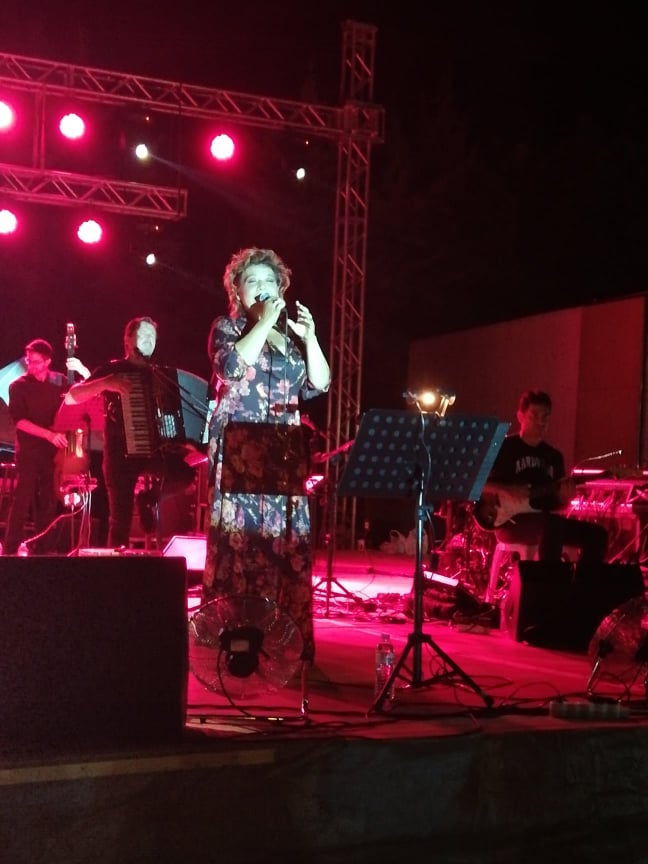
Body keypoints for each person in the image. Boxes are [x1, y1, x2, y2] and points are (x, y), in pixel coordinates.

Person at [202, 247, 331, 664]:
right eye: (252, 281)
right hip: (240, 449)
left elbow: (320, 383)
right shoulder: (228, 327)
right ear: (237, 291)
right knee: (240, 543)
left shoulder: (290, 339)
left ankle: (281, 638)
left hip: (283, 449)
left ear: (281, 289)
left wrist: (309, 338)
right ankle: (235, 635)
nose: (262, 287)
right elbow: (231, 369)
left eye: (269, 281)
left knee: (284, 542)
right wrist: (263, 323)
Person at [62, 316, 195, 549]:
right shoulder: (113, 370)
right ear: (128, 340)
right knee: (119, 525)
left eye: (152, 336)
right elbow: (72, 397)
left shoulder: (161, 375)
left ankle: (148, 499)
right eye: (143, 335)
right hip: (119, 456)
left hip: (153, 452)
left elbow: (173, 417)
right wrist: (105, 383)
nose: (149, 340)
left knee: (184, 474)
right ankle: (117, 569)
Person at [475, 388, 608, 563]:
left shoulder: (554, 456)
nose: (541, 421)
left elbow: (557, 505)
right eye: (534, 415)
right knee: (551, 526)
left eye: (545, 416)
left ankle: (582, 580)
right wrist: (507, 489)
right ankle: (547, 578)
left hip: (543, 519)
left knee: (597, 535)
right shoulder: (503, 447)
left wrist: (564, 499)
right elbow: (475, 483)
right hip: (509, 522)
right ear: (520, 416)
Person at [2, 339, 90, 555]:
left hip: (53, 453)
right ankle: (10, 550)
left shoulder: (59, 381)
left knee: (48, 501)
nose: (31, 365)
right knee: (22, 500)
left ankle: (42, 549)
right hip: (29, 451)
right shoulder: (18, 386)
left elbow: (84, 393)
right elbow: (20, 422)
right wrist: (49, 435)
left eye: (36, 362)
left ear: (48, 361)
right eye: (29, 361)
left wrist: (82, 370)